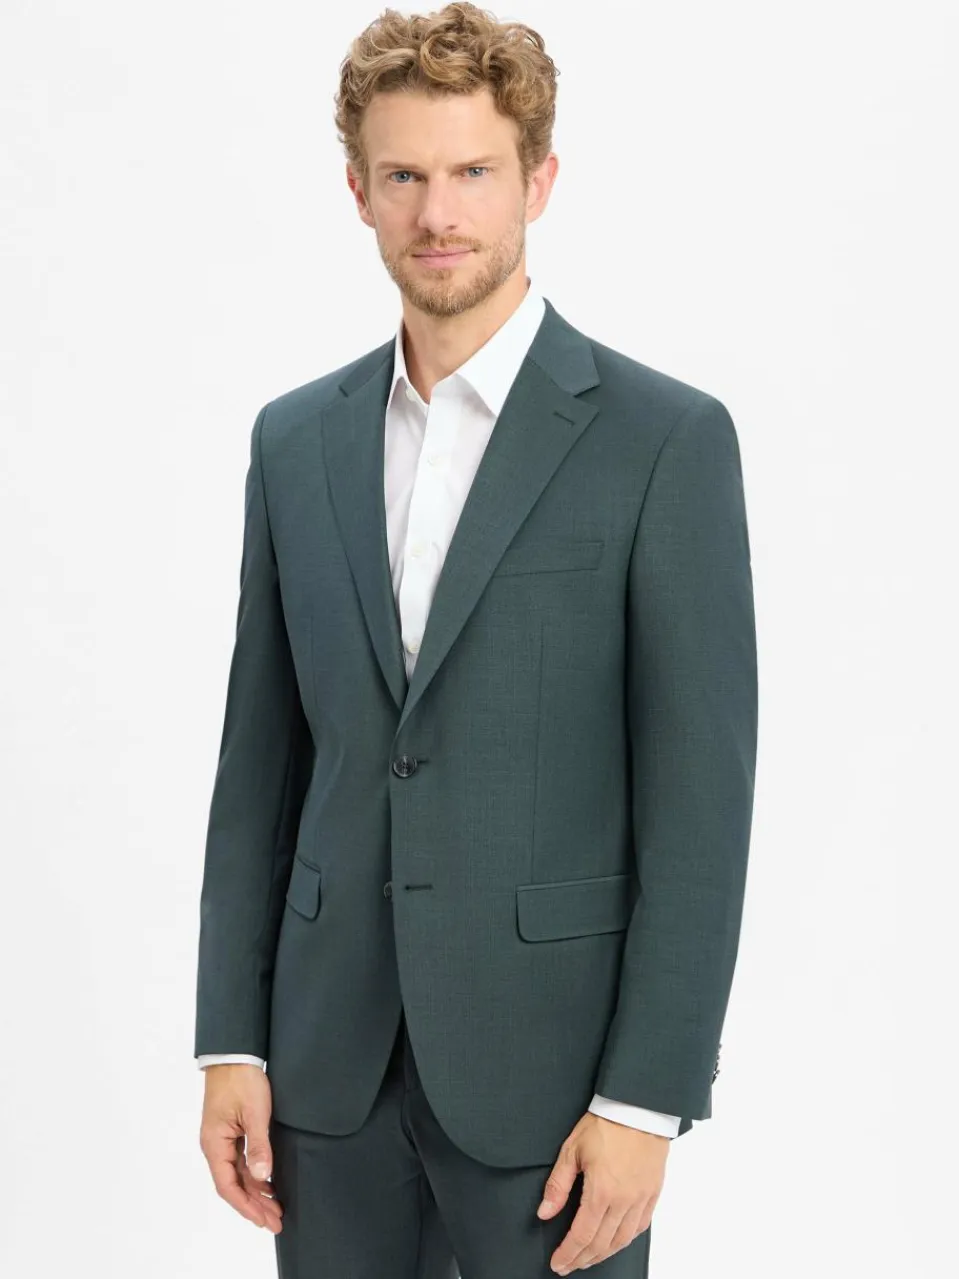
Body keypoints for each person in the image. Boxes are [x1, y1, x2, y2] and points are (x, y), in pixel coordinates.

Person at [194, 4, 758, 1275]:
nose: (437, 213)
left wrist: (645, 1097)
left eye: (471, 173)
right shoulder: (295, 441)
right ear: (357, 192)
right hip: (325, 1077)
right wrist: (231, 1037)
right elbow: (258, 768)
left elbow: (699, 806)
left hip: (553, 1089)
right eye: (403, 176)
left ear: (537, 182)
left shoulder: (662, 442)